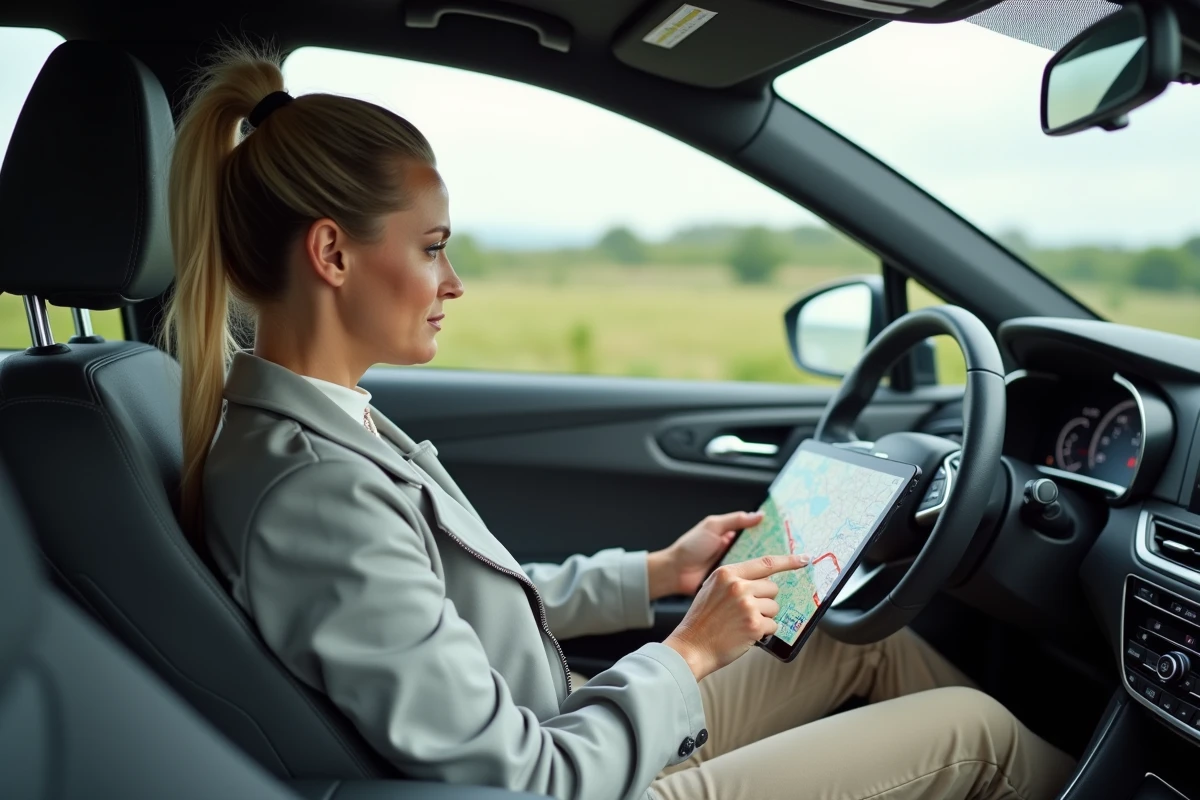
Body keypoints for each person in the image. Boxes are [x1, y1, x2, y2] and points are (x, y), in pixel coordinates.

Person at [164, 46, 1076, 800]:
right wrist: (689, 649)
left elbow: (455, 611)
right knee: (975, 735)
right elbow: (518, 776)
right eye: (433, 248)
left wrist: (656, 575)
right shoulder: (311, 486)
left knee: (850, 643)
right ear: (331, 252)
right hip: (575, 775)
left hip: (575, 727)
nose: (454, 283)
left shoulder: (324, 428)